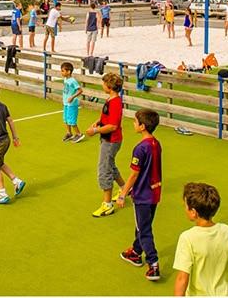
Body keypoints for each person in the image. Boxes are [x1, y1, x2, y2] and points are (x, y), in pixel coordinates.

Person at [173, 182, 228, 296]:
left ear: (193, 212)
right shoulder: (227, 231)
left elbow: (182, 278)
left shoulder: (187, 238)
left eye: (185, 205)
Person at [118, 108, 163, 282]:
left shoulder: (139, 149)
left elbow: (134, 174)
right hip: (154, 192)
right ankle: (136, 252)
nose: (133, 124)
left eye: (135, 122)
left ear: (142, 126)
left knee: (144, 229)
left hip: (143, 195)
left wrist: (123, 193)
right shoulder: (156, 143)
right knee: (143, 223)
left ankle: (153, 263)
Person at [85, 71, 126, 217]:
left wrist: (96, 130)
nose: (103, 86)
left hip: (111, 140)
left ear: (109, 86)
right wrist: (98, 122)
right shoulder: (111, 99)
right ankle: (125, 188)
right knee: (110, 165)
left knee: (104, 170)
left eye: (104, 83)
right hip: (108, 139)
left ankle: (107, 205)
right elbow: (107, 117)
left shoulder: (115, 102)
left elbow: (113, 125)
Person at [60, 62, 85, 143]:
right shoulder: (65, 79)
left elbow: (80, 90)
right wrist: (63, 100)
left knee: (71, 121)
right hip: (66, 103)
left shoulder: (73, 81)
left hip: (72, 104)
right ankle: (69, 133)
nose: (61, 72)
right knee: (66, 119)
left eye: (63, 71)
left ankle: (79, 134)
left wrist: (72, 97)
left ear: (69, 71)